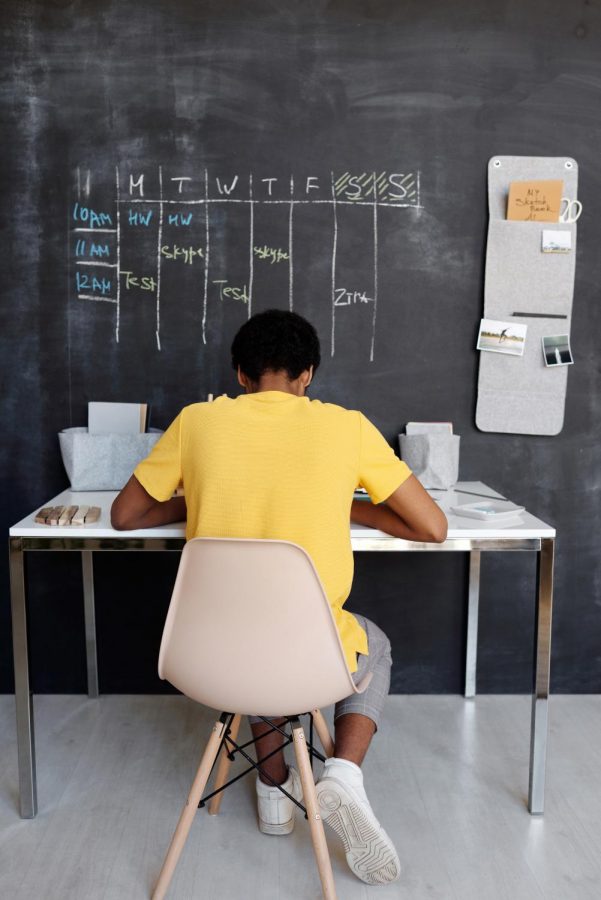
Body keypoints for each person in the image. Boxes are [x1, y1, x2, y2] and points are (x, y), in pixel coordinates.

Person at [111, 309, 447, 886]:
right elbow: (431, 527)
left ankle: (272, 787)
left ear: (240, 375)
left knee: (258, 632)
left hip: (210, 655)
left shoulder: (197, 422)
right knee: (370, 642)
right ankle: (341, 772)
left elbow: (126, 515)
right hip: (309, 654)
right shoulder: (347, 427)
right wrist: (346, 500)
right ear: (307, 374)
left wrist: (206, 493)